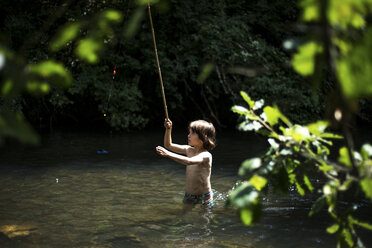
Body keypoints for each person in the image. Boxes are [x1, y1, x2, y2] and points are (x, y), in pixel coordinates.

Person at [156, 118, 216, 208]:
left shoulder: (206, 155)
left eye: (192, 133)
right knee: (185, 215)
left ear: (203, 138)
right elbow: (168, 145)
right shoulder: (189, 150)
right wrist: (168, 129)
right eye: (189, 132)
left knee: (204, 218)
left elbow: (189, 161)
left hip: (204, 196)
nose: (189, 135)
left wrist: (168, 154)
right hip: (189, 195)